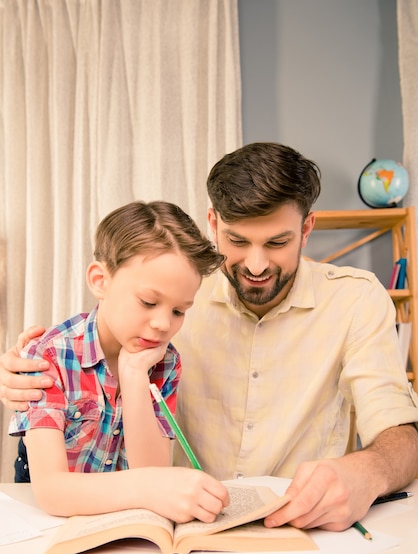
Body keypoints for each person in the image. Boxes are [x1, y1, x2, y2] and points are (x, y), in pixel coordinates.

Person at [2, 143, 418, 532]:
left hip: (296, 532)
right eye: (237, 241)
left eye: (277, 242)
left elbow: (400, 432)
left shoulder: (356, 300)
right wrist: (20, 372)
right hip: (178, 529)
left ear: (307, 229)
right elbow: (100, 333)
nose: (256, 265)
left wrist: (369, 470)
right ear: (213, 223)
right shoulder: (177, 292)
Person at [3, 200, 229, 520]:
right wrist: (147, 489)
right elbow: (52, 490)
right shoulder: (50, 356)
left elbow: (151, 471)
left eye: (179, 311)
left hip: (122, 522)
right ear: (100, 281)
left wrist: (135, 373)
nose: (164, 324)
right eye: (149, 302)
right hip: (50, 524)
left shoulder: (164, 363)